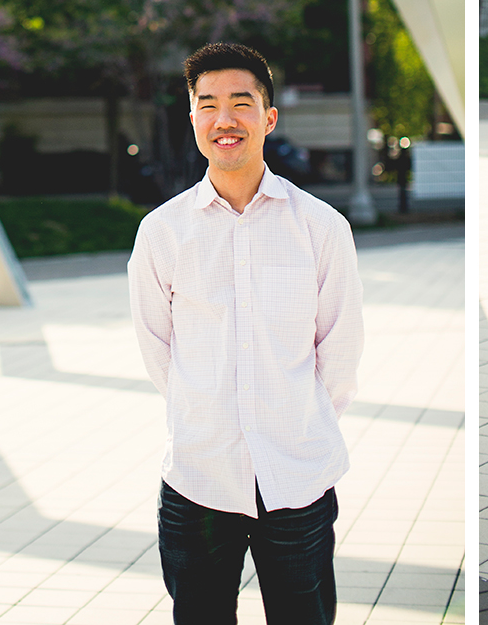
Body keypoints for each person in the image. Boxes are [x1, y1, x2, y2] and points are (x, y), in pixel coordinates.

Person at [129, 42, 364, 623]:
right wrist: (208, 413)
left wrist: (293, 422)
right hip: (199, 478)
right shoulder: (162, 232)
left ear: (269, 117)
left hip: (297, 477)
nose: (224, 119)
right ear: (193, 120)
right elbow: (158, 350)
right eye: (207, 105)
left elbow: (340, 351)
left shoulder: (320, 227)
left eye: (241, 102)